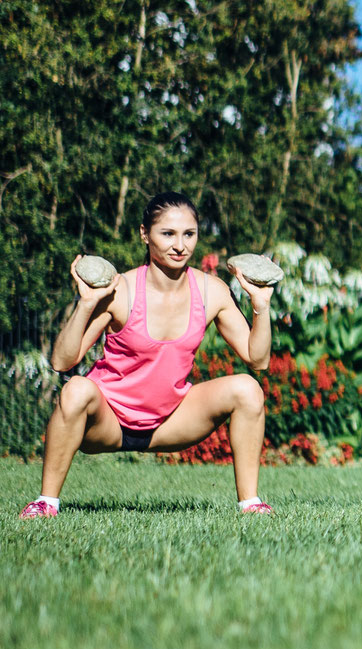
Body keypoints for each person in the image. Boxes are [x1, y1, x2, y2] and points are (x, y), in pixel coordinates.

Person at [21, 193, 276, 518]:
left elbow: (258, 360)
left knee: (248, 390)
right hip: (109, 422)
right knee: (76, 389)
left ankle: (250, 504)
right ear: (145, 234)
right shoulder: (120, 290)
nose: (180, 245)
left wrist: (261, 306)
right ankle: (46, 503)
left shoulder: (212, 291)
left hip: (171, 421)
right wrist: (86, 304)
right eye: (167, 234)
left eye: (189, 234)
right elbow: (62, 362)